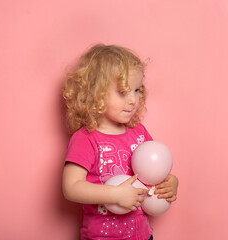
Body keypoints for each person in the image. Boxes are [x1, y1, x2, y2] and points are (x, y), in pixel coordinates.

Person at [62, 44, 179, 240]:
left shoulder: (139, 133)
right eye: (123, 92)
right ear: (96, 94)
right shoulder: (86, 139)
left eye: (136, 90)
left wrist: (171, 182)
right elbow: (71, 187)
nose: (133, 100)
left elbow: (154, 172)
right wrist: (115, 195)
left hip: (142, 236)